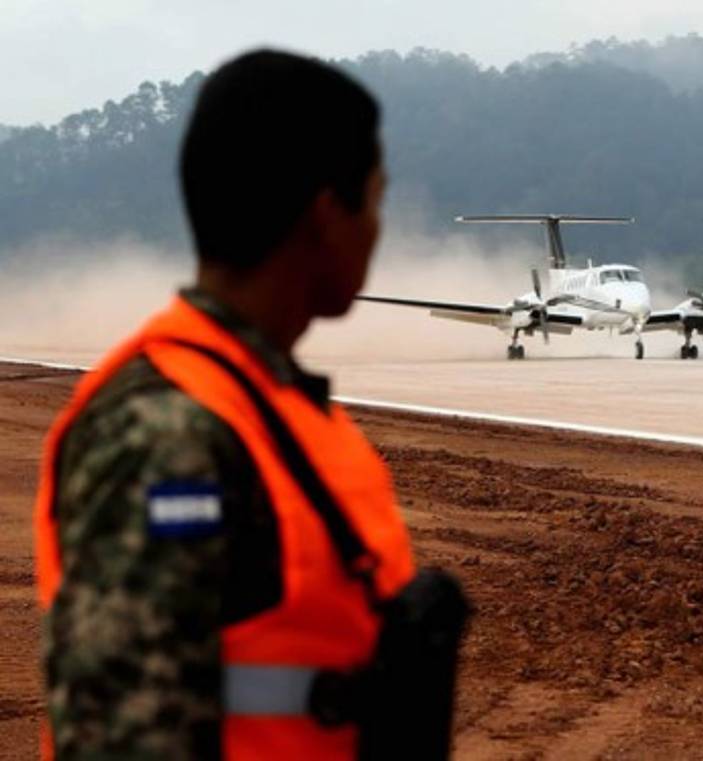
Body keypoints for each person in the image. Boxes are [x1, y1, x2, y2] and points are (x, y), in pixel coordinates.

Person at [33, 50, 455, 760]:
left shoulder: (274, 407)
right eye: (376, 202)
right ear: (326, 215)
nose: (379, 234)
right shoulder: (166, 434)